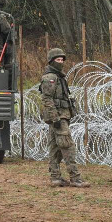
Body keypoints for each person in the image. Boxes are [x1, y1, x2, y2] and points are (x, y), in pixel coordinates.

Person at [39, 48, 90, 188]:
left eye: (62, 60)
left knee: (55, 148)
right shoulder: (51, 77)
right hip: (58, 117)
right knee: (68, 146)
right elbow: (47, 99)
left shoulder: (58, 76)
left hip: (62, 115)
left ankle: (55, 177)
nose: (61, 62)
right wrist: (55, 118)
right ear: (51, 61)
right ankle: (75, 177)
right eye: (58, 60)